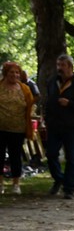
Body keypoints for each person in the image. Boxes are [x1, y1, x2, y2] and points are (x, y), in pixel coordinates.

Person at [43, 54, 74, 200]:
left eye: (62, 65)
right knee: (51, 154)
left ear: (70, 67)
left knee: (72, 158)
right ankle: (59, 178)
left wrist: (70, 104)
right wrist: (45, 118)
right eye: (58, 65)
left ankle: (69, 188)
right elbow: (48, 101)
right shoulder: (52, 81)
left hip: (72, 127)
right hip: (54, 125)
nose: (59, 68)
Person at [0, 61, 35, 196]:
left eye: (17, 72)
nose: (14, 75)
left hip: (18, 129)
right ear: (5, 73)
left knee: (16, 156)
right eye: (11, 72)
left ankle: (16, 183)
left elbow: (30, 106)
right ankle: (1, 183)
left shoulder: (24, 89)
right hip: (1, 128)